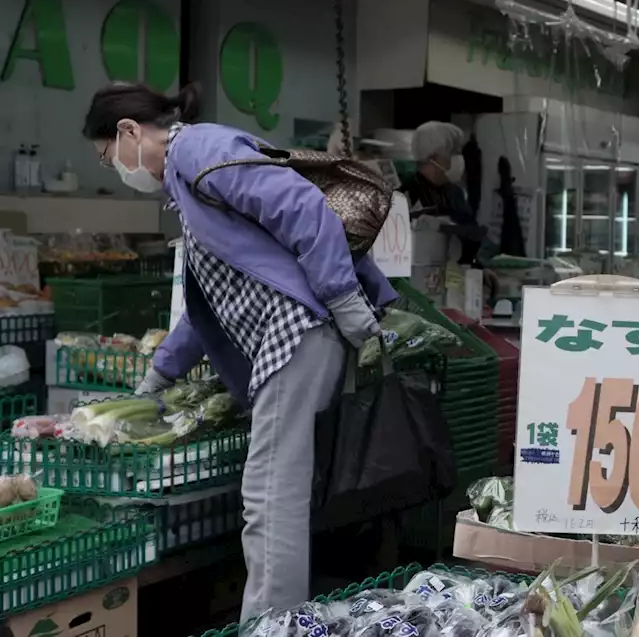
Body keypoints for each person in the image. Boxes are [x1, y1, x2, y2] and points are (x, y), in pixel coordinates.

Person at [81, 82, 395, 623]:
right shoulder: (185, 179)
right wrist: (160, 373)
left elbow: (302, 206)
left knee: (271, 497)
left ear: (129, 132)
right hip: (289, 339)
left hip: (295, 333)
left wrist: (343, 296)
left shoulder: (199, 149)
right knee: (275, 492)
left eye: (109, 157)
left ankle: (271, 624)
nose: (116, 169)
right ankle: (277, 620)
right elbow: (210, 300)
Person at [400, 121, 486, 266]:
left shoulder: (455, 194)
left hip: (456, 278)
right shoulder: (406, 193)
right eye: (452, 153)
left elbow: (472, 237)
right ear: (432, 158)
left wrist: (479, 269)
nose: (459, 159)